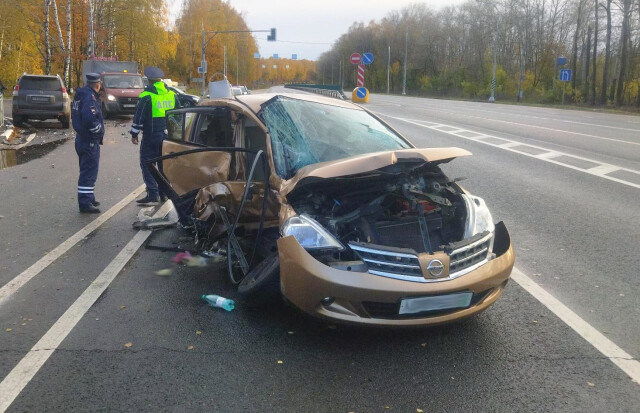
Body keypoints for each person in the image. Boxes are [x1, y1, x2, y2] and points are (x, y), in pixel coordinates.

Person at [130, 66, 178, 204]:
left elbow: (139, 117)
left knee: (147, 163)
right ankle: (164, 193)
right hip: (167, 136)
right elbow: (179, 115)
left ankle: (153, 193)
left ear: (149, 81)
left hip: (151, 135)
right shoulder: (171, 94)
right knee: (163, 165)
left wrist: (134, 134)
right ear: (160, 80)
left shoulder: (147, 96)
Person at [71, 73, 104, 214]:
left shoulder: (80, 95)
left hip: (81, 139)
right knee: (89, 171)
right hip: (89, 140)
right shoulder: (89, 98)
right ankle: (85, 202)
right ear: (98, 85)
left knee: (86, 169)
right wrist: (98, 131)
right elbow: (90, 119)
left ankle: (89, 197)